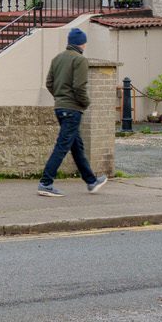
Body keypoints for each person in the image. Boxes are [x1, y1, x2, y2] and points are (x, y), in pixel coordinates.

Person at [37, 27, 108, 197]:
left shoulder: (57, 58)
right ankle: (46, 182)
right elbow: (79, 87)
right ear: (82, 44)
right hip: (72, 109)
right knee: (62, 146)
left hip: (60, 107)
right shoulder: (80, 60)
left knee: (77, 147)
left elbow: (49, 83)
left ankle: (91, 181)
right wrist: (85, 102)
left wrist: (60, 97)